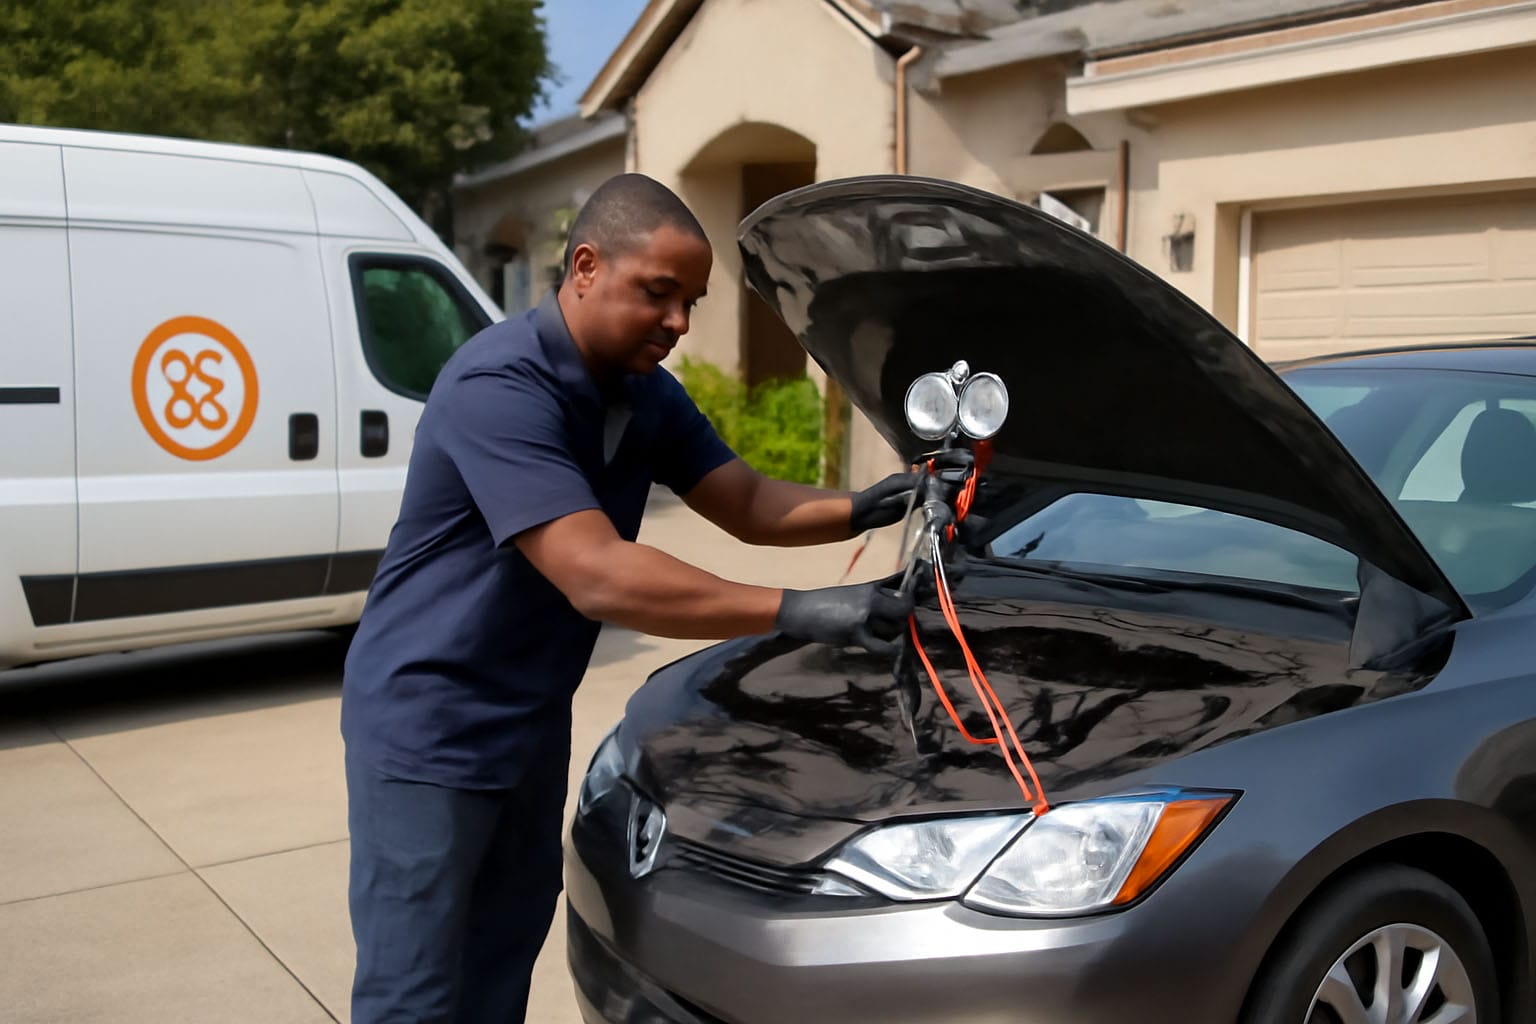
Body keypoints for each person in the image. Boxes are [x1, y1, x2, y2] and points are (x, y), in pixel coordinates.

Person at [339, 173, 928, 1023]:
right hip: (428, 723)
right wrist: (796, 611)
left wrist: (869, 504)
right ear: (585, 266)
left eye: (691, 300)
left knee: (502, 958)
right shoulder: (499, 386)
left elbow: (746, 501)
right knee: (418, 987)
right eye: (660, 293)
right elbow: (596, 572)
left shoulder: (641, 393)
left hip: (528, 718)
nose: (680, 324)